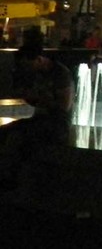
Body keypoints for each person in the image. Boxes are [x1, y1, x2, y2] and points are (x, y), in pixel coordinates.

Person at [0, 40, 74, 186]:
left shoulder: (60, 74)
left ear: (39, 59)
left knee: (22, 137)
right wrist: (31, 98)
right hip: (41, 118)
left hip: (56, 123)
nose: (27, 69)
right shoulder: (39, 73)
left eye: (28, 64)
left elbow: (63, 108)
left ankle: (15, 178)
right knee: (6, 131)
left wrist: (38, 99)